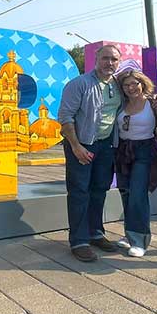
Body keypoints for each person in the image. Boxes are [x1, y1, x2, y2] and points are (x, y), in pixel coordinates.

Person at [58, 45, 123, 262]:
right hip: (82, 144)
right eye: (105, 58)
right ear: (96, 59)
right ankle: (79, 241)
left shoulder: (118, 85)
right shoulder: (79, 84)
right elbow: (65, 117)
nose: (109, 63)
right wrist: (76, 147)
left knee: (99, 190)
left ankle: (96, 233)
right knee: (79, 192)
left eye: (114, 59)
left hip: (106, 147)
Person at [113, 70, 157, 257]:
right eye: (126, 85)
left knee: (138, 195)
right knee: (126, 193)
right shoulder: (121, 104)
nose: (131, 88)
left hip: (145, 150)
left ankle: (140, 241)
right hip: (123, 151)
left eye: (135, 83)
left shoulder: (153, 102)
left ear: (143, 83)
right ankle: (129, 234)